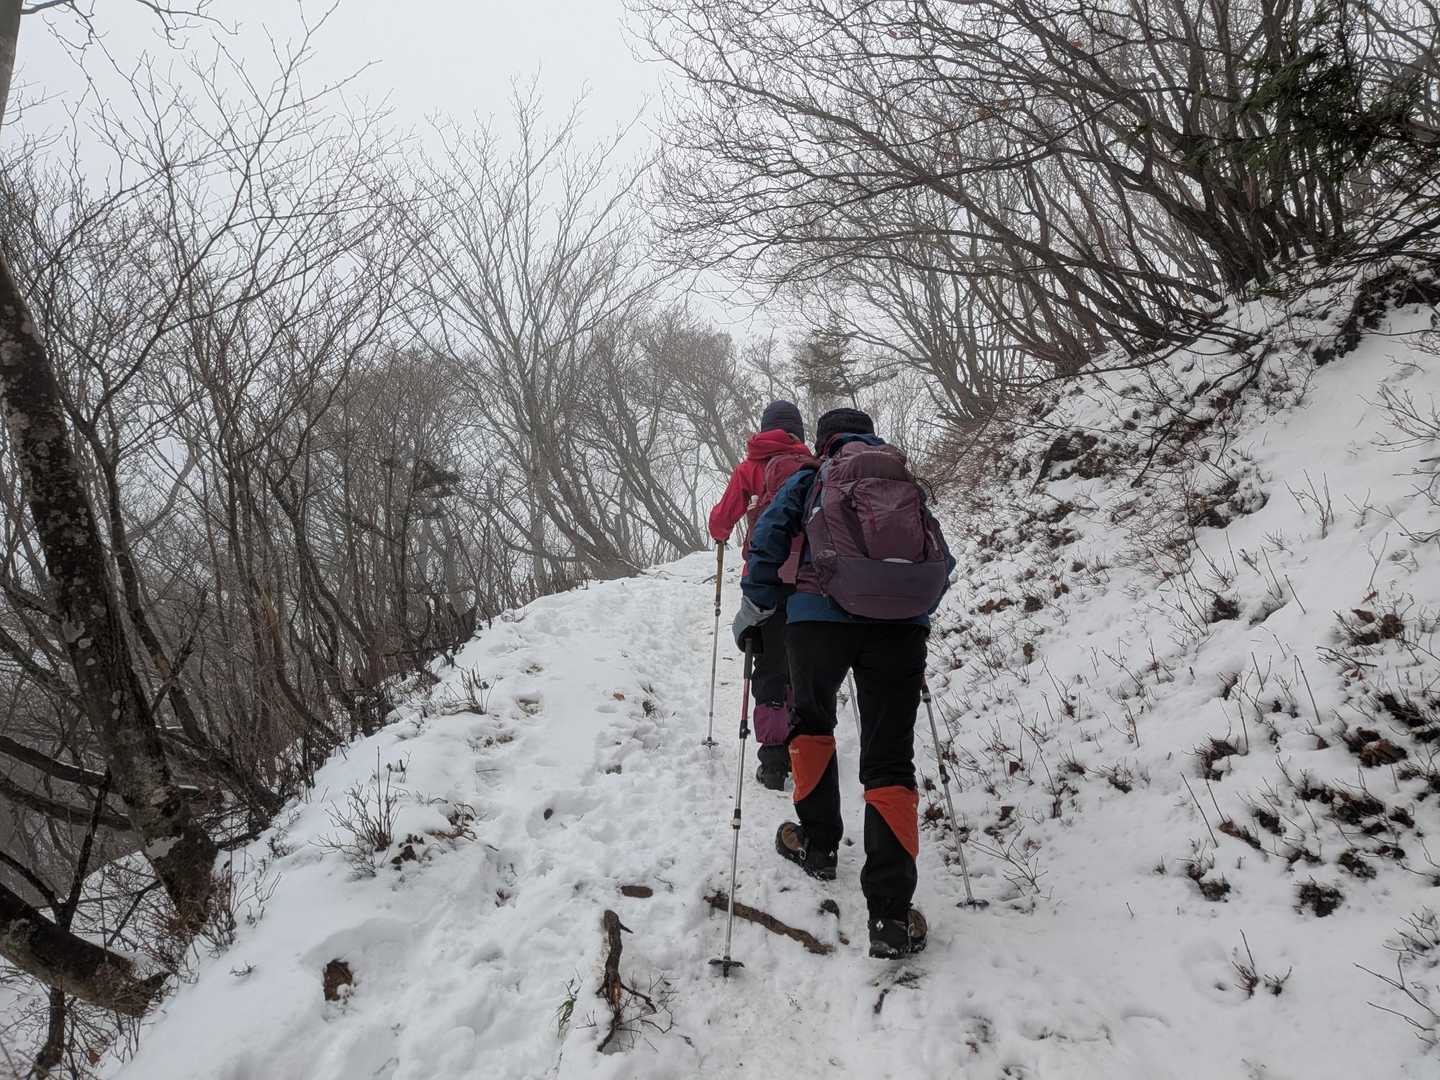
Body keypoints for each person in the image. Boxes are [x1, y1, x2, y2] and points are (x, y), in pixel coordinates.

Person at [733, 407, 955, 959]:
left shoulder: (813, 476)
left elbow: (768, 538)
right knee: (891, 759)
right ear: (869, 434)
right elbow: (938, 555)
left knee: (811, 725)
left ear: (823, 440)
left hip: (817, 619)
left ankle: (818, 845)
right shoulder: (900, 477)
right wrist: (912, 612)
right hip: (899, 629)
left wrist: (758, 606)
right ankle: (891, 916)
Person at [708, 400, 818, 790]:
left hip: (764, 580)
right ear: (798, 432)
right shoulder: (814, 467)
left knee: (770, 664)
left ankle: (773, 760)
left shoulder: (748, 469)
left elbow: (721, 521)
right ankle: (806, 749)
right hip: (810, 580)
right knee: (804, 665)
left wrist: (721, 533)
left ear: (765, 428)